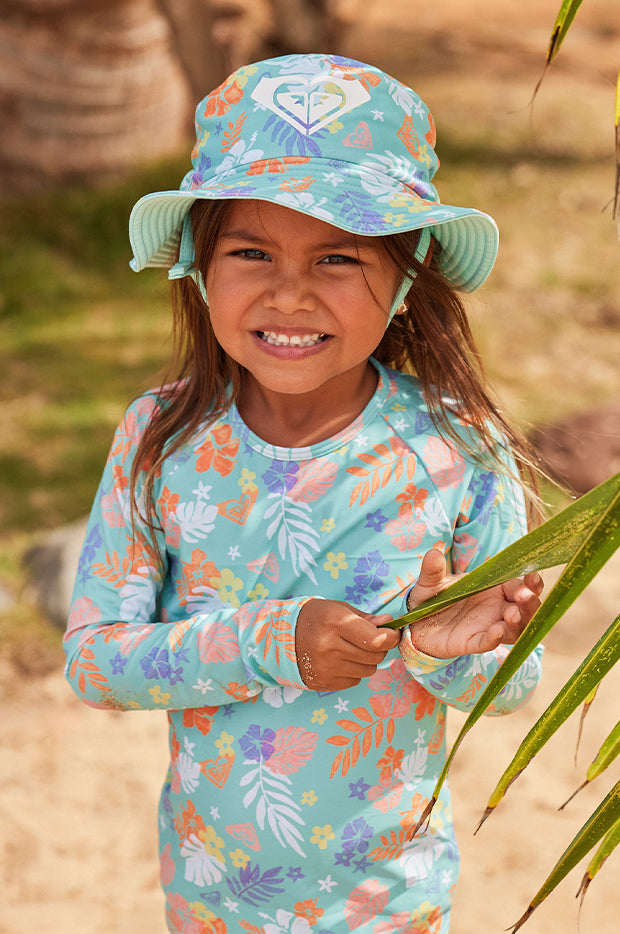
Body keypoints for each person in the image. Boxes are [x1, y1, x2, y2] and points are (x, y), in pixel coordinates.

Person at [64, 54, 545, 934]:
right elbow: (95, 662)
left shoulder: (458, 440)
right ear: (200, 269)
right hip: (212, 898)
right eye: (251, 251)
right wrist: (273, 641)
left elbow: (511, 688)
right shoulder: (160, 439)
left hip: (393, 901)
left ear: (407, 279)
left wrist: (445, 653)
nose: (290, 290)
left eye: (338, 257)